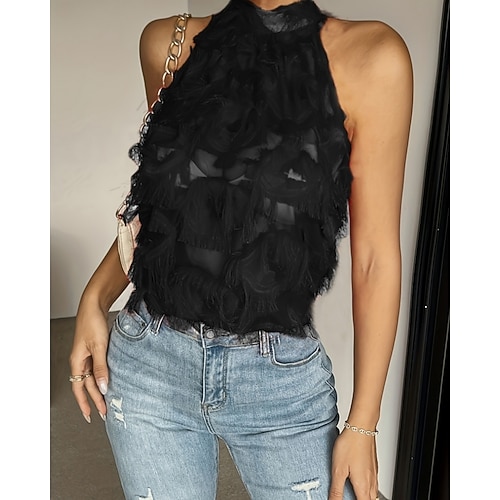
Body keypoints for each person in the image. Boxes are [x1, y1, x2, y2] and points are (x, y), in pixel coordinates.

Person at [69, 0, 413, 499]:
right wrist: (95, 296)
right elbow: (167, 218)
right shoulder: (168, 44)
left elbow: (375, 259)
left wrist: (363, 423)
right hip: (151, 366)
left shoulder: (375, 58)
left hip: (278, 380)